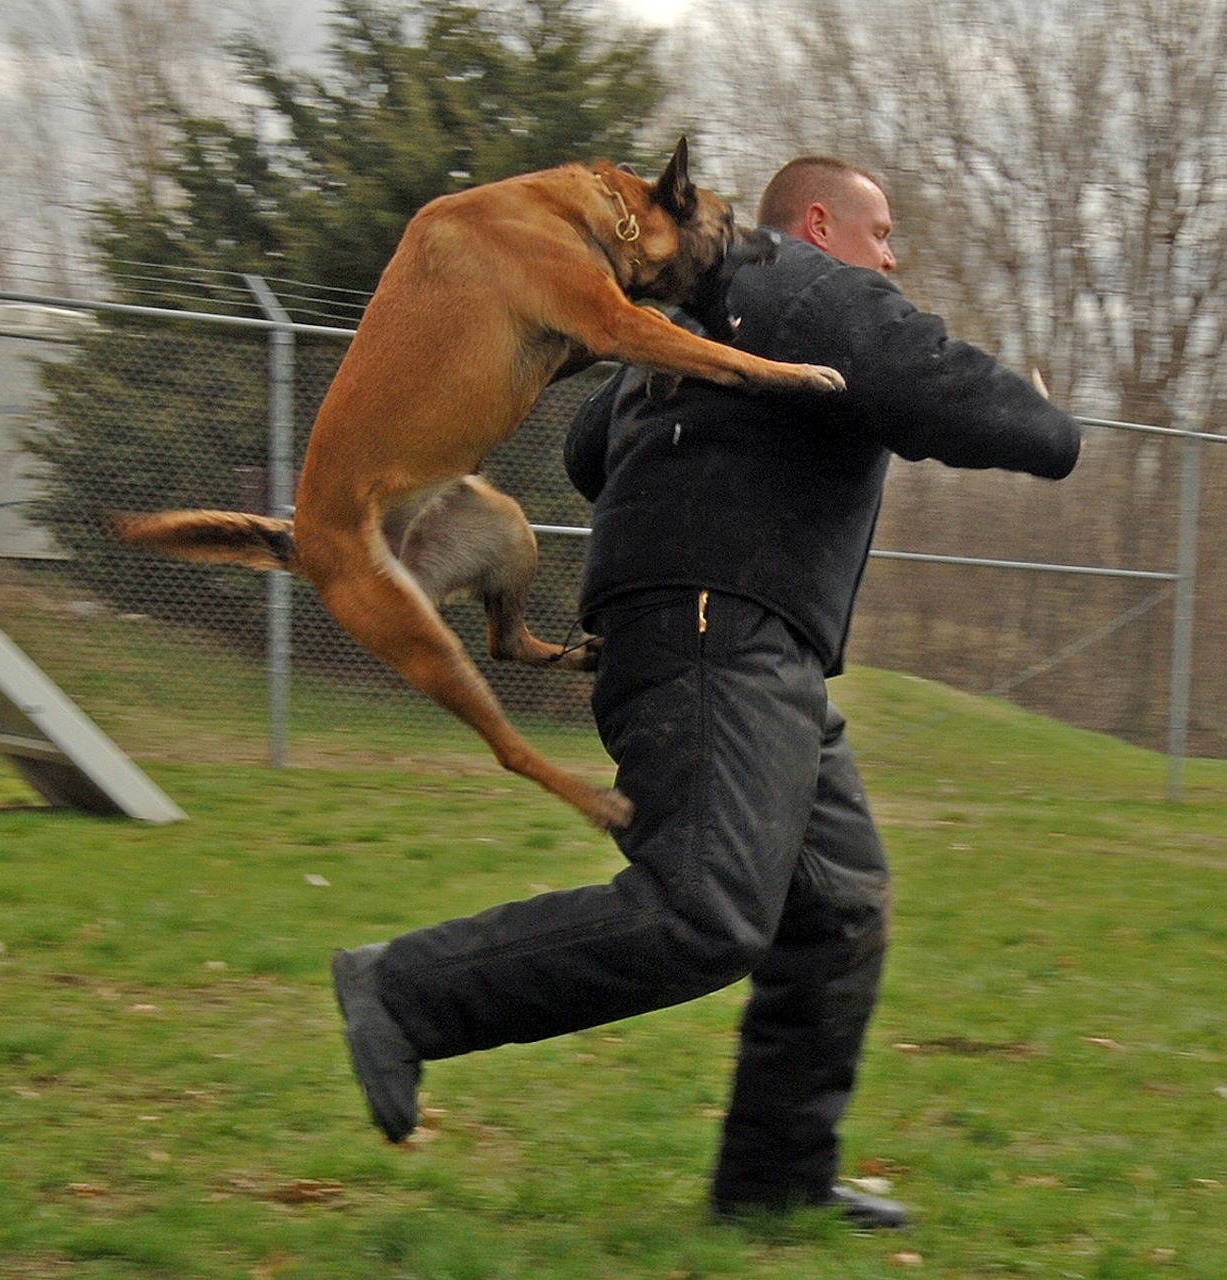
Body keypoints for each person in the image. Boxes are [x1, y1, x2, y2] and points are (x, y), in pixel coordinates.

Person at [331, 156, 1082, 1229]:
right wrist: (1047, 422)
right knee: (703, 910)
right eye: (884, 231)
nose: (893, 255)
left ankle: (774, 1183)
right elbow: (941, 388)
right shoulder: (813, 287)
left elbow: (593, 448)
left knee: (836, 908)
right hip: (715, 631)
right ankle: (406, 988)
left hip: (732, 638)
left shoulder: (702, 319)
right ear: (818, 222)